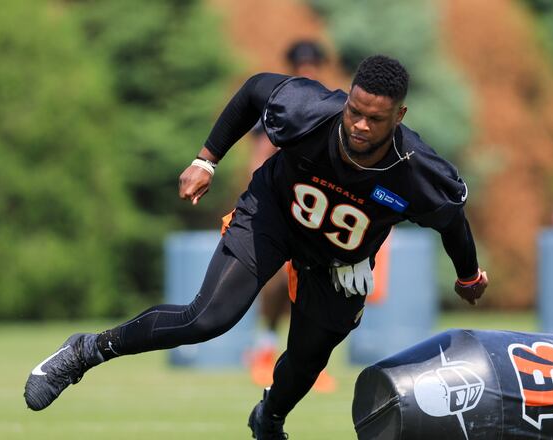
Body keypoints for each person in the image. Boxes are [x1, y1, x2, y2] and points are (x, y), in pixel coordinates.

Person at [24, 55, 489, 439]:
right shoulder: (311, 111)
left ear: (400, 117)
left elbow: (453, 221)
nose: (361, 125)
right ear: (346, 100)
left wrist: (467, 274)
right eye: (355, 111)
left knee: (307, 359)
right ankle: (86, 351)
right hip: (272, 218)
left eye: (376, 118)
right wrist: (205, 159)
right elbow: (254, 90)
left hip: (339, 260)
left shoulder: (417, 172)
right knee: (207, 318)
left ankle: (269, 418)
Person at [245, 40, 336, 391]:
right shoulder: (280, 102)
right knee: (279, 282)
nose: (308, 69)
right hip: (286, 204)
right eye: (303, 64)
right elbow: (260, 154)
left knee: (317, 285)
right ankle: (264, 350)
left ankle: (307, 362)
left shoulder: (330, 103)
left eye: (314, 63)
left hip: (320, 208)